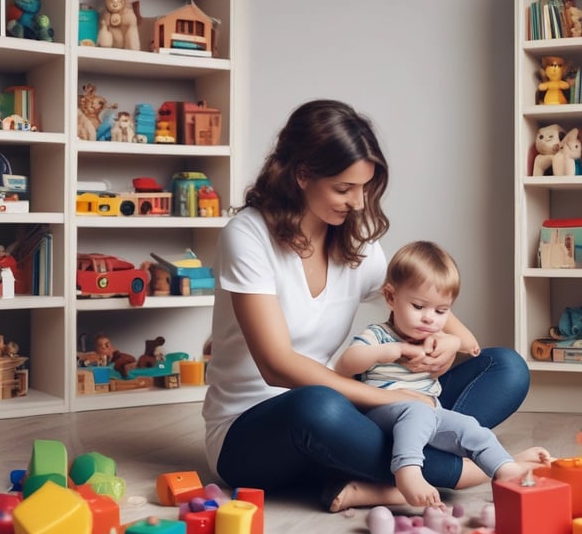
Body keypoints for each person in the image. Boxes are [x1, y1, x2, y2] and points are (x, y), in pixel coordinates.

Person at [202, 99, 532, 512]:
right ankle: (476, 467)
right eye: (344, 188)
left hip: (353, 412)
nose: (358, 202)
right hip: (253, 430)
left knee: (506, 368)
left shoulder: (355, 240)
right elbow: (277, 365)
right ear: (302, 174)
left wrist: (449, 342)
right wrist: (392, 400)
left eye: (364, 187)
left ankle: (389, 476)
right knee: (318, 403)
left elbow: (429, 307)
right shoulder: (247, 236)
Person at [335, 241, 551, 508]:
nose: (429, 319)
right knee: (418, 411)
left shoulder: (435, 337)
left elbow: (471, 347)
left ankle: (504, 468)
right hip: (384, 414)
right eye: (418, 307)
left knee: (470, 427)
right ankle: (408, 471)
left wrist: (451, 342)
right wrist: (389, 351)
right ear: (391, 298)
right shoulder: (379, 335)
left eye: (441, 311)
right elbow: (345, 365)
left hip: (431, 412)